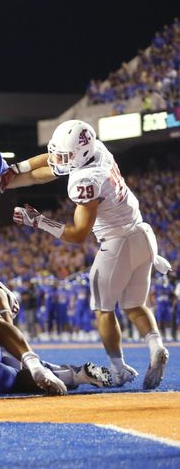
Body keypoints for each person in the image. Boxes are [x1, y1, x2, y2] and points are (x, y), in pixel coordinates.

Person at [9, 119, 171, 389]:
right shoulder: (97, 150)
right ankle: (156, 346)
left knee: (103, 310)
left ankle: (118, 369)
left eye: (65, 154)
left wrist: (37, 221)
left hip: (117, 242)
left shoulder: (85, 180)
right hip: (142, 233)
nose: (58, 159)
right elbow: (50, 162)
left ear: (80, 154)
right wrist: (16, 170)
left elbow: (78, 235)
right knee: (134, 305)